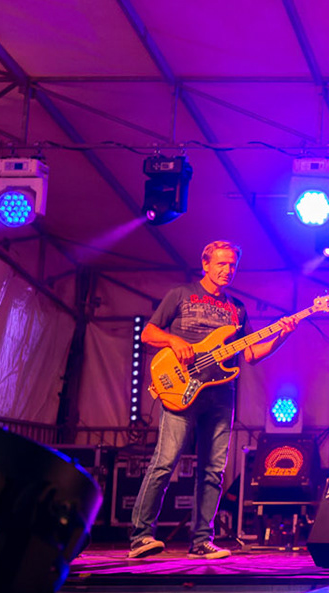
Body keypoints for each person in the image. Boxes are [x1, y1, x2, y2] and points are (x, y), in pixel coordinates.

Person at [129, 240, 300, 561]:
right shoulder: (181, 294)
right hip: (181, 385)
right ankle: (140, 537)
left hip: (221, 393)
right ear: (205, 264)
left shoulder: (237, 308)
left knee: (212, 470)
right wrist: (174, 340)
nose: (227, 270)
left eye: (233, 265)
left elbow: (251, 354)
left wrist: (282, 334)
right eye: (221, 264)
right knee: (165, 462)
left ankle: (201, 541)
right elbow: (148, 333)